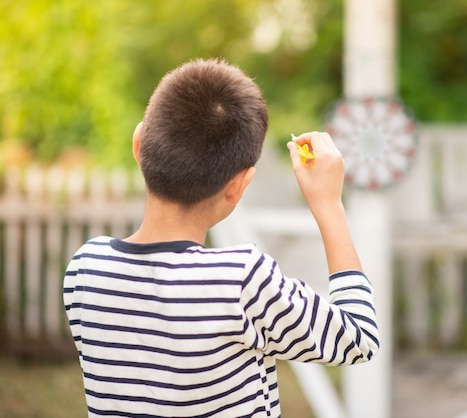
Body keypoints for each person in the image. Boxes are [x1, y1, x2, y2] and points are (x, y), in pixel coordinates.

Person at [63, 58, 379, 418]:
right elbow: (358, 338)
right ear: (237, 187)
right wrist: (329, 205)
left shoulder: (85, 269)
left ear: (138, 144)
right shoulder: (240, 279)